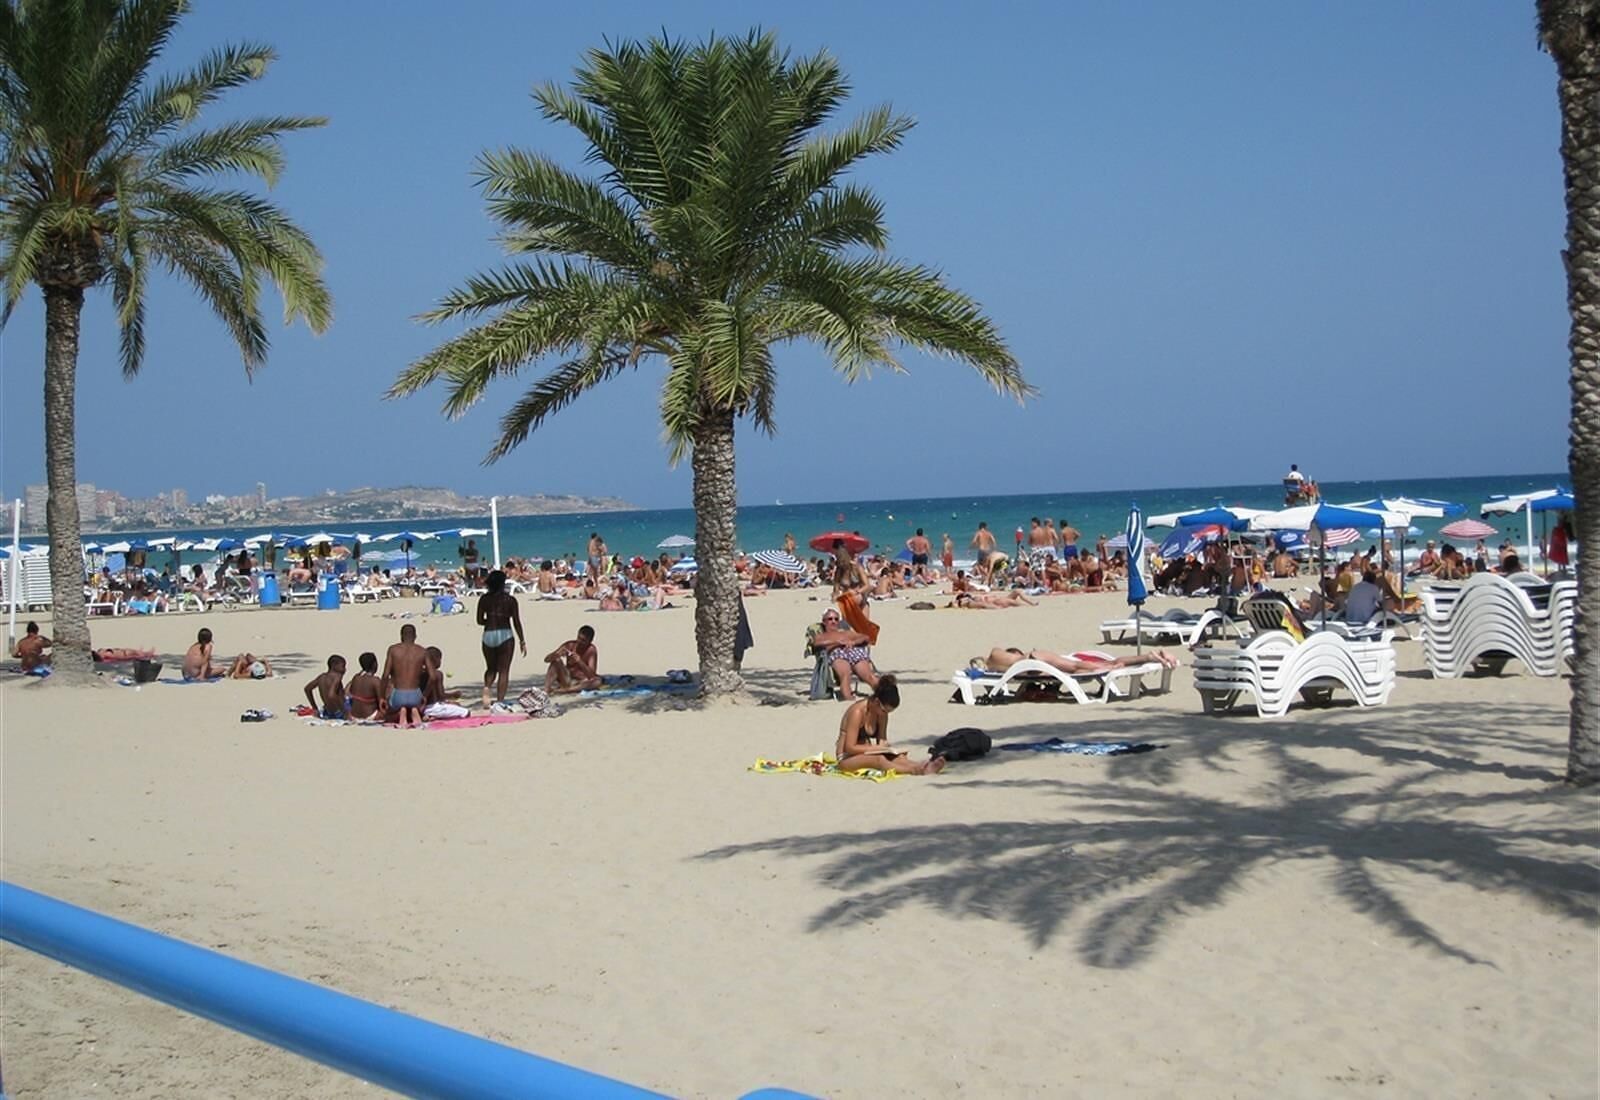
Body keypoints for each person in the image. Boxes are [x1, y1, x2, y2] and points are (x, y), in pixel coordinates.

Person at [834, 676, 944, 775]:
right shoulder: (857, 713)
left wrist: (888, 749)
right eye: (884, 710)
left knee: (898, 757)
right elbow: (850, 747)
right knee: (879, 759)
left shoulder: (882, 713)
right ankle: (915, 771)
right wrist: (876, 748)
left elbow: (882, 740)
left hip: (866, 752)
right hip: (846, 757)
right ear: (876, 702)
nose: (885, 714)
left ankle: (922, 766)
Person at [476, 569, 526, 706]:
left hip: (488, 634)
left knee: (491, 668)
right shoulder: (510, 600)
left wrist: (491, 620)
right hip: (505, 634)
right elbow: (516, 622)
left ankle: (487, 688)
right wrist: (522, 640)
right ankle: (500, 701)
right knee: (504, 671)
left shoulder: (484, 599)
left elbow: (479, 620)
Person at [812, 608, 878, 699]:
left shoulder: (846, 633)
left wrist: (853, 642)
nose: (833, 621)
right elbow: (816, 644)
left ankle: (882, 695)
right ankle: (849, 699)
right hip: (837, 654)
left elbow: (865, 637)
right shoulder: (821, 636)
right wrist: (837, 642)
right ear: (824, 622)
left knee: (868, 676)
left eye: (836, 619)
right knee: (846, 674)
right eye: (830, 619)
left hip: (855, 652)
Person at [983, 646, 1179, 674]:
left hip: (1031, 666)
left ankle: (1148, 656)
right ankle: (1147, 656)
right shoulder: (997, 653)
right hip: (1033, 661)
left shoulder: (994, 661)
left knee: (1076, 667)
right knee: (1076, 668)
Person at [380, 624, 430, 727]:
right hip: (415, 696)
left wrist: (382, 697)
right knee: (414, 704)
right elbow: (433, 676)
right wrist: (425, 695)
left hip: (398, 695)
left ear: (401, 636)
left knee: (392, 706)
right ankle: (413, 710)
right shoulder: (422, 651)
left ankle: (402, 711)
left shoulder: (393, 650)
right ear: (415, 636)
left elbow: (385, 675)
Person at [830, 539, 878, 645]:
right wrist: (834, 595)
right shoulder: (839, 570)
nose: (841, 563)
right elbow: (836, 587)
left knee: (865, 632)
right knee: (851, 632)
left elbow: (867, 585)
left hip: (860, 599)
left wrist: (857, 591)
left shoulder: (856, 567)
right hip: (847, 602)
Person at [545, 625, 600, 694]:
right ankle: (546, 690)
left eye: (583, 641)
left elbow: (591, 675)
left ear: (590, 641)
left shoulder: (591, 650)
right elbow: (546, 660)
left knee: (597, 681)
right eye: (578, 638)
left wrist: (580, 661)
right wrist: (556, 655)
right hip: (567, 679)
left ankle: (564, 690)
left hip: (581, 682)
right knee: (556, 661)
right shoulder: (570, 645)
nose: (579, 642)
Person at [304, 655, 349, 720]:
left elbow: (307, 689)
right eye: (343, 666)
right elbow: (331, 695)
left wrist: (315, 708)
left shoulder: (321, 677)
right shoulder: (337, 677)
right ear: (334, 666)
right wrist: (344, 712)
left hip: (328, 712)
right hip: (339, 712)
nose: (345, 669)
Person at [347, 652, 383, 719]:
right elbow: (381, 701)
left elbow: (349, 692)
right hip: (371, 715)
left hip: (354, 716)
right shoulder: (375, 680)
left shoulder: (356, 678)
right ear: (374, 664)